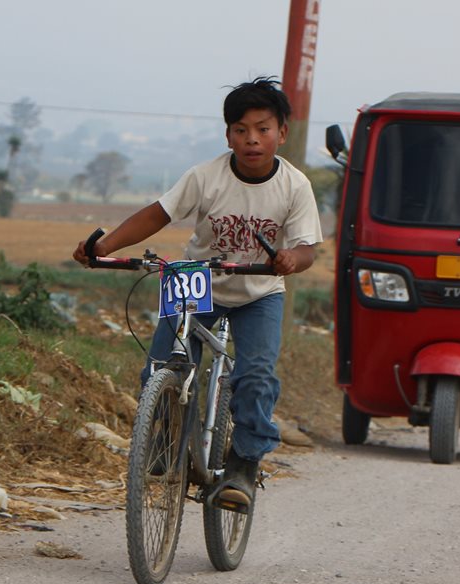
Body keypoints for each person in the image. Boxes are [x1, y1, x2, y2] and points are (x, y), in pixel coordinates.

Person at [73, 76, 322, 511]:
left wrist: (290, 260)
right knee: (162, 365)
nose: (252, 139)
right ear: (227, 134)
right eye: (241, 130)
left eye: (263, 129)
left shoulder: (295, 186)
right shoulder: (204, 177)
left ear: (282, 133)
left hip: (260, 290)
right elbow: (157, 214)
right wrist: (105, 247)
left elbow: (306, 250)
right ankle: (166, 441)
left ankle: (243, 465)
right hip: (197, 280)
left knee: (256, 376)